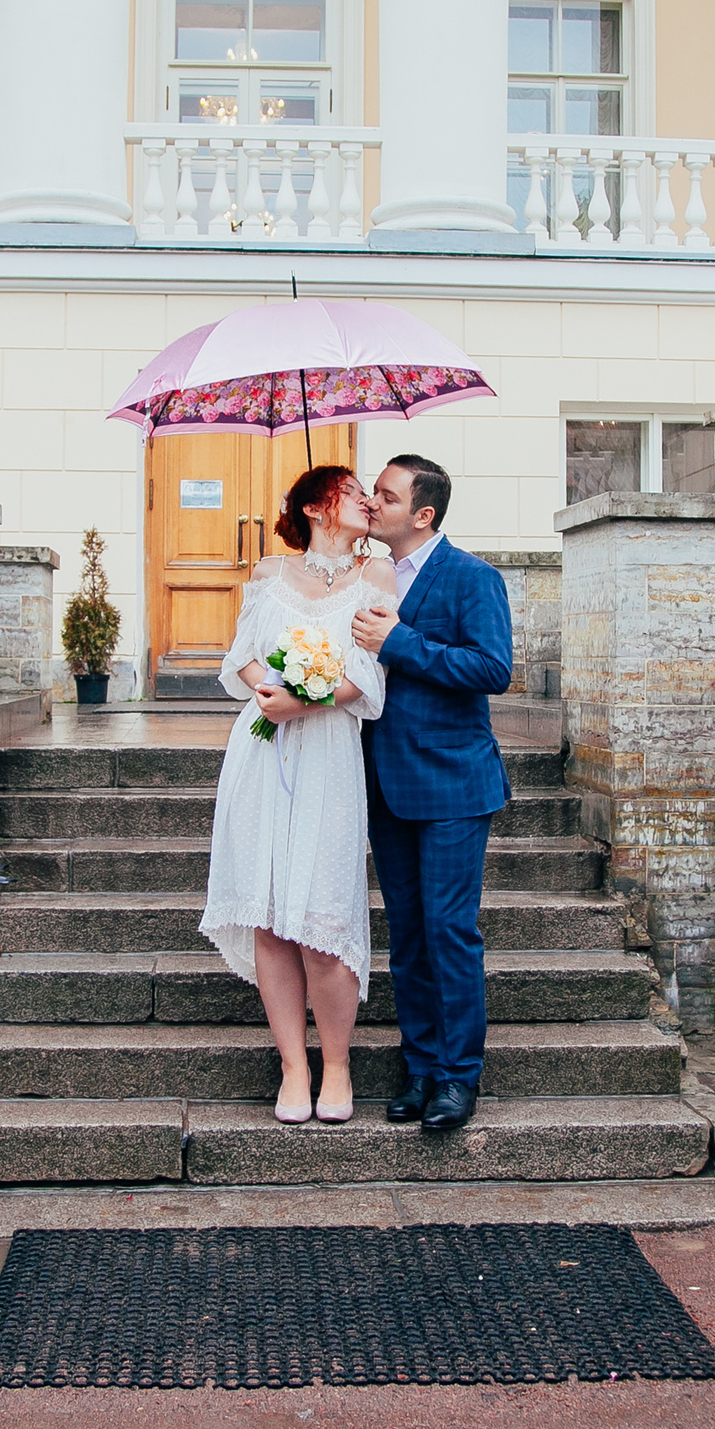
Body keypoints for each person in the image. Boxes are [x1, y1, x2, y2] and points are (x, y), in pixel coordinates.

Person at [201, 465, 393, 1124]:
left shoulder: (378, 576)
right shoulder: (268, 574)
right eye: (353, 490)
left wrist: (307, 697)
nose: (369, 499)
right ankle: (293, 1067)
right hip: (262, 748)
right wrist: (271, 693)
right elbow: (243, 654)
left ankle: (336, 1064)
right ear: (316, 506)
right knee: (271, 914)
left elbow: (367, 671)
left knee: (323, 917)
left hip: (330, 752)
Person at [352, 456, 512, 1133]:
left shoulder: (473, 578)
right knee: (409, 937)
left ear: (423, 513)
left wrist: (401, 641)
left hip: (451, 783)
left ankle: (457, 1076)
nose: (371, 502)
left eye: (385, 496)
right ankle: (419, 1067)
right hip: (386, 783)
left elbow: (491, 667)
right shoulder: (366, 577)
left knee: (449, 932)